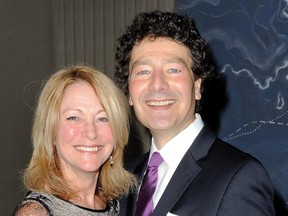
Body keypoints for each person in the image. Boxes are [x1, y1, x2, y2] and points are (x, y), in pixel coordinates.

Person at [114, 10, 275, 215]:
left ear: (197, 87)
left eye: (173, 70)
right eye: (143, 71)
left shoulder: (239, 177)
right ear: (129, 92)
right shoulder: (124, 177)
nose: (157, 84)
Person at [13, 65, 137, 215]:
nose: (91, 133)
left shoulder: (121, 205)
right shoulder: (35, 212)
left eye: (103, 118)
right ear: (51, 131)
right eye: (74, 118)